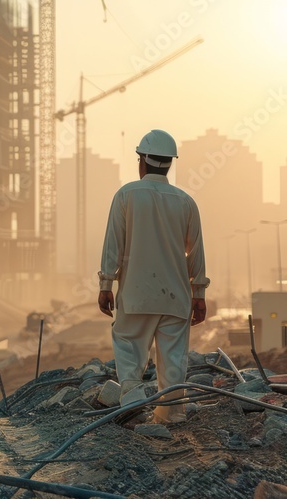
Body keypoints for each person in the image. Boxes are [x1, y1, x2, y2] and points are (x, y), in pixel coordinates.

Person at [98, 129, 208, 424]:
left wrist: (106, 284)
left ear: (141, 161)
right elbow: (195, 252)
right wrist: (199, 294)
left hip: (136, 294)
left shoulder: (126, 195)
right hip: (176, 296)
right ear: (170, 163)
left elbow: (113, 243)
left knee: (128, 347)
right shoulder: (185, 202)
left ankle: (133, 404)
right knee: (173, 360)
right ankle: (171, 416)